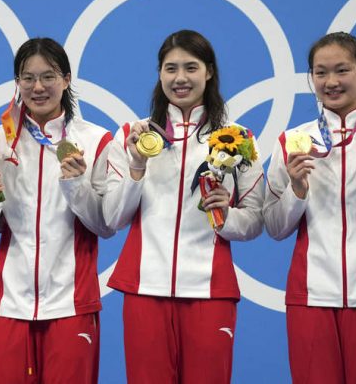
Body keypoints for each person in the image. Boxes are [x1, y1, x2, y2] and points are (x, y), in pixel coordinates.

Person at [103, 29, 265, 383]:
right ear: (159, 73)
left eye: (190, 68)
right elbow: (112, 218)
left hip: (210, 291)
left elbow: (255, 221)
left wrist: (226, 216)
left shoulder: (239, 139)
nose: (180, 78)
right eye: (170, 68)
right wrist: (136, 168)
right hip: (145, 290)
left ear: (209, 71)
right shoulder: (133, 136)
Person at [0, 37, 122, 383]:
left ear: (66, 80)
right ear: (18, 83)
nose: (38, 87)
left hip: (71, 304)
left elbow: (105, 224)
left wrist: (76, 186)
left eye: (48, 77)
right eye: (28, 78)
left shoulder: (97, 140)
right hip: (10, 303)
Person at [263, 31, 356, 384]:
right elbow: (276, 228)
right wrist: (296, 189)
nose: (331, 82)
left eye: (342, 70)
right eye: (321, 73)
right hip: (310, 298)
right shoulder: (292, 141)